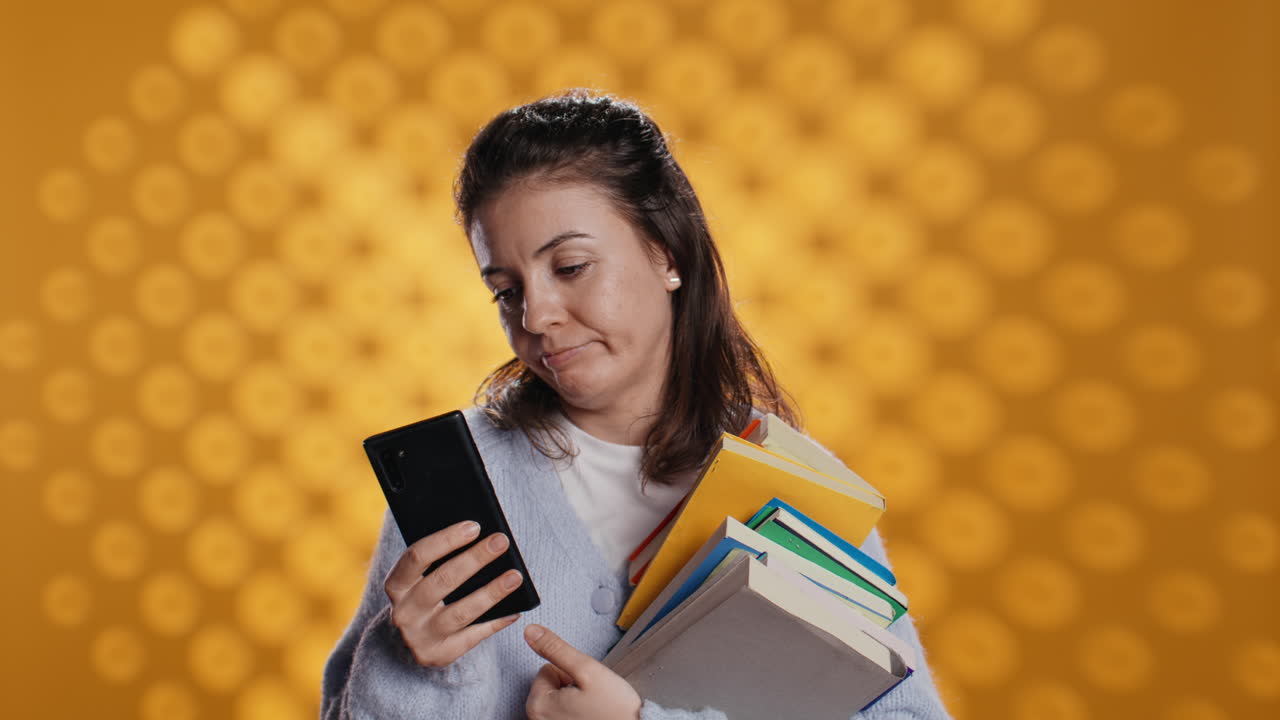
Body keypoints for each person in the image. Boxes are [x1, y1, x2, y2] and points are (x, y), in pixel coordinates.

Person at [321, 90, 952, 720]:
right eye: (506, 291)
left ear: (667, 254)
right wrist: (411, 667)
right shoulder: (463, 486)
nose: (535, 316)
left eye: (571, 267)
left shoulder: (796, 486)